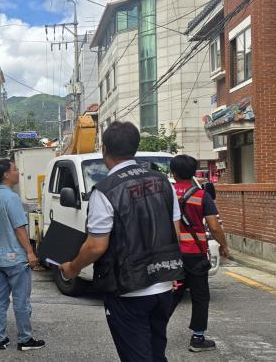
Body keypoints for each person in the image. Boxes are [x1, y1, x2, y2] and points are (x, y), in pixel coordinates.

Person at [60, 121, 183, 362]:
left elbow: (96, 246)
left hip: (128, 289)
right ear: (135, 147)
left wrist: (72, 268)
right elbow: (175, 233)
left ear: (104, 149)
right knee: (157, 353)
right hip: (163, 285)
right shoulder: (162, 182)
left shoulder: (105, 190)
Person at [169, 155, 229, 353]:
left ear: (173, 173)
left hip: (172, 254)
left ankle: (154, 331)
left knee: (172, 294)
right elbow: (214, 226)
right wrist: (224, 245)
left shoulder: (166, 194)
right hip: (195, 254)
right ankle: (197, 338)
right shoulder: (202, 196)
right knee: (200, 296)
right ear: (194, 173)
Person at [0, 159, 45, 352]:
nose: (18, 172)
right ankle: (25, 339)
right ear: (6, 174)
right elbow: (19, 228)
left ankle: (0, 338)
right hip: (16, 257)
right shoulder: (12, 198)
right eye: (15, 169)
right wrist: (30, 252)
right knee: (21, 300)